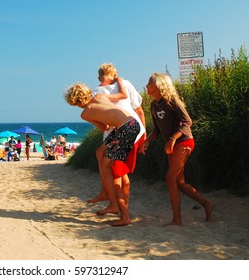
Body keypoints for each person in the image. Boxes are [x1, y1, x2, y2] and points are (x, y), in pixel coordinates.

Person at [140, 72, 215, 226]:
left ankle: (177, 220)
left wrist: (173, 139)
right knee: (179, 183)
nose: (146, 85)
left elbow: (187, 121)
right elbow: (157, 130)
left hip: (184, 141)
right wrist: (148, 140)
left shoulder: (172, 101)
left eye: (149, 82)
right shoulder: (154, 105)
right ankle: (207, 204)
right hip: (172, 144)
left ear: (159, 85)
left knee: (170, 178)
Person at [64, 82, 140, 226]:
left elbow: (104, 128)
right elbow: (122, 96)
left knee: (109, 168)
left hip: (124, 130)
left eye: (75, 104)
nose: (77, 107)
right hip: (131, 123)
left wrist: (107, 122)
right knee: (100, 152)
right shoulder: (100, 96)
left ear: (77, 101)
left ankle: (120, 210)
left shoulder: (85, 113)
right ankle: (107, 195)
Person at [88, 63, 147, 223]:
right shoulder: (124, 84)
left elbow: (100, 122)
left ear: (100, 76)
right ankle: (118, 207)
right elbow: (139, 110)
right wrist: (144, 134)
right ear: (114, 74)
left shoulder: (96, 92)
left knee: (116, 171)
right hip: (128, 131)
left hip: (120, 134)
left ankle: (121, 210)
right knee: (119, 171)